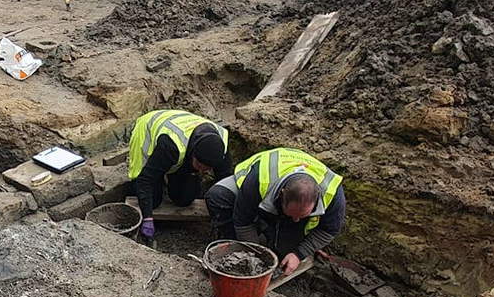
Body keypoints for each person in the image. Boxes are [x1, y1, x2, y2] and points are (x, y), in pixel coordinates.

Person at [205, 147, 346, 278]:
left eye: (302, 215)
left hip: (272, 204)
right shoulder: (259, 180)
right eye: (292, 214)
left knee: (283, 256)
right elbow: (243, 221)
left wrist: (298, 254)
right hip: (254, 192)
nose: (296, 219)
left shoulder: (333, 193)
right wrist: (255, 255)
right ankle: (234, 243)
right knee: (217, 196)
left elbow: (329, 230)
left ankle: (270, 231)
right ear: (281, 195)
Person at [126, 108, 233, 243]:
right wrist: (147, 218)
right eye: (199, 166)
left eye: (207, 169)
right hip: (149, 127)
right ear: (193, 154)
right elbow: (145, 180)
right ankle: (156, 180)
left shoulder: (221, 148)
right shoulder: (171, 145)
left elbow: (225, 180)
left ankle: (172, 177)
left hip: (183, 140)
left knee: (185, 200)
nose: (202, 172)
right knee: (153, 201)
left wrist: (224, 218)